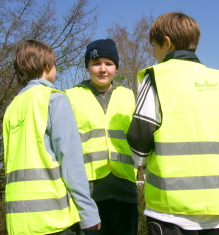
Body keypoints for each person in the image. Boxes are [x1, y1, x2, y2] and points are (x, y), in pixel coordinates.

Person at [127, 12, 219, 235]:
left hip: (170, 210)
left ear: (167, 42)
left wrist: (139, 163)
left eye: (154, 46)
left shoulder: (157, 76)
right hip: (216, 210)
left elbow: (140, 134)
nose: (153, 53)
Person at [3, 39, 101, 235]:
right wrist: (88, 212)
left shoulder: (12, 108)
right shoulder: (54, 99)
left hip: (18, 223)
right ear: (48, 66)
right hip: (53, 218)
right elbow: (70, 160)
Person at [66, 39, 139, 235]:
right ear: (87, 67)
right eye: (96, 63)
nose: (102, 69)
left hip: (125, 189)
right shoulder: (70, 97)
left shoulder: (130, 96)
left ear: (116, 67)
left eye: (109, 63)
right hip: (88, 192)